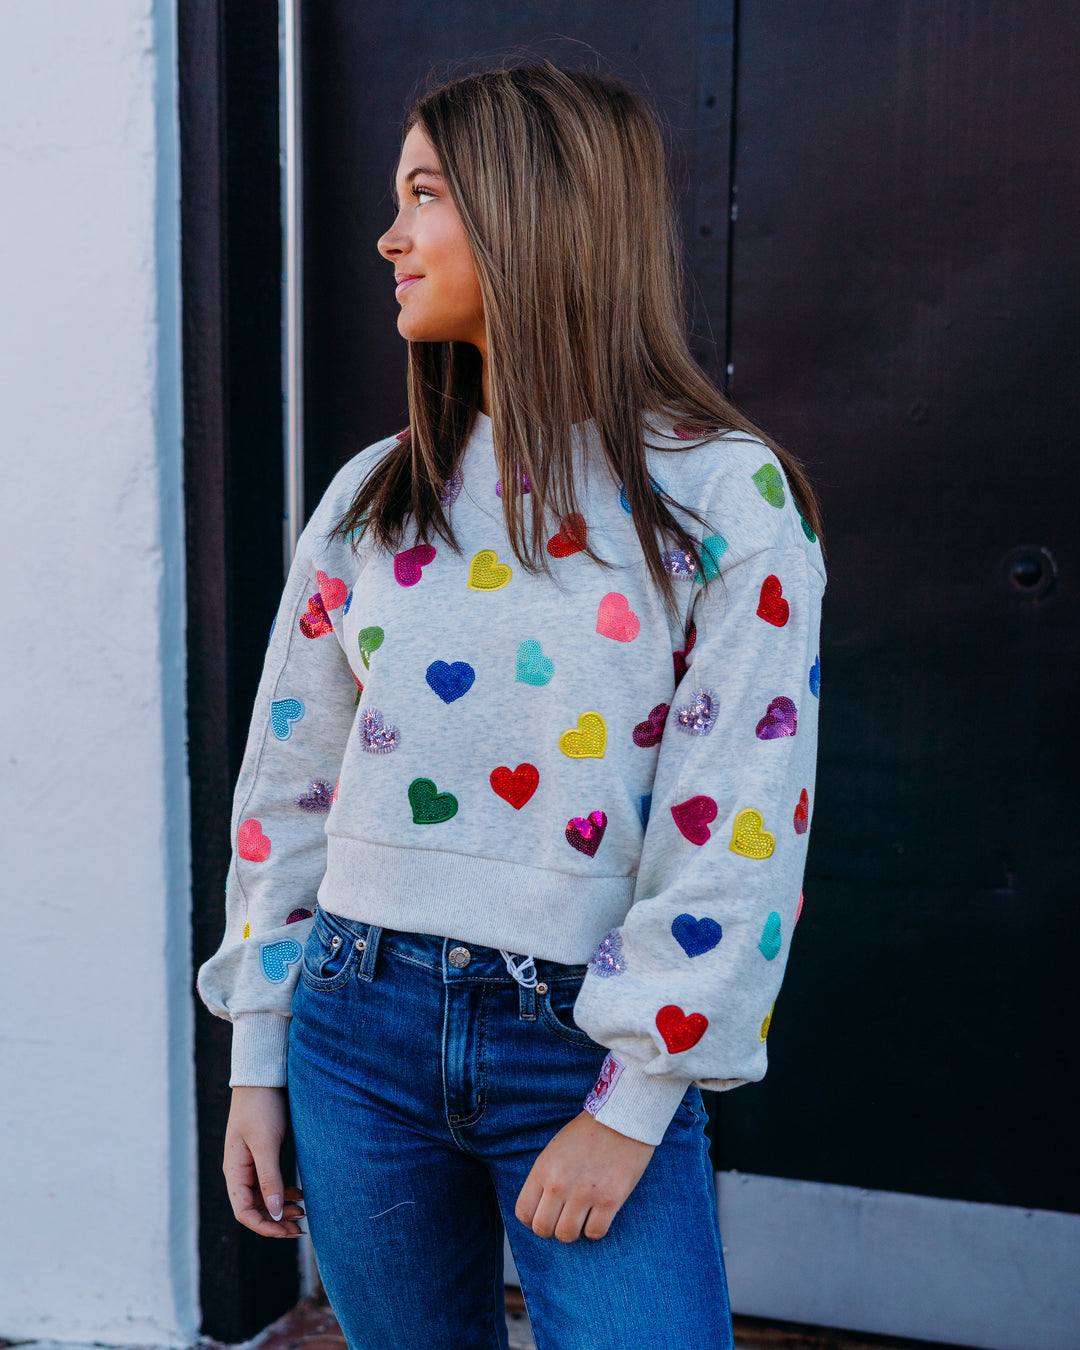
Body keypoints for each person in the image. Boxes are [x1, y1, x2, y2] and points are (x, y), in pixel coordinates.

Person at [197, 61, 825, 1350]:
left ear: (539, 213)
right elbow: (289, 786)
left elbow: (740, 827)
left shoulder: (724, 501)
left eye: (425, 193)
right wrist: (259, 1050)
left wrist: (634, 1100)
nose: (388, 234)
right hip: (353, 1031)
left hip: (580, 1050)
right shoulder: (376, 496)